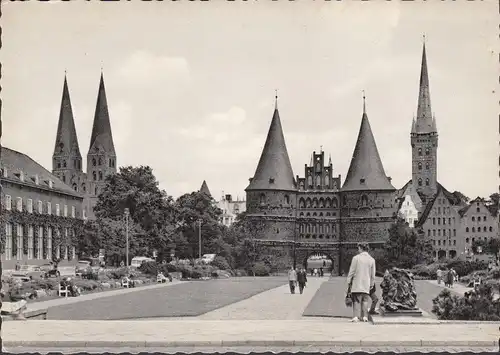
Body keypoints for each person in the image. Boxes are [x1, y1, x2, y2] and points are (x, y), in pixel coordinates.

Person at [346, 242, 376, 323]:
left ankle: (356, 316)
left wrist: (348, 281)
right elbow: (373, 275)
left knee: (356, 300)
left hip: (357, 282)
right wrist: (372, 284)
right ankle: (365, 317)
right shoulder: (371, 260)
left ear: (361, 248)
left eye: (358, 248)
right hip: (366, 283)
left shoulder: (356, 258)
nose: (358, 250)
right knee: (365, 300)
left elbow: (351, 271)